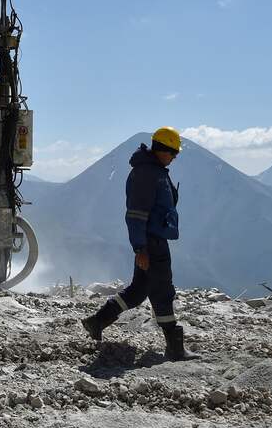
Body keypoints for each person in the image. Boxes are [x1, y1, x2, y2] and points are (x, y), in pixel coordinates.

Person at [81, 127, 199, 361]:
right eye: (173, 153)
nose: (174, 157)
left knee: (138, 290)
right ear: (162, 150)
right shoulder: (148, 174)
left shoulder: (154, 170)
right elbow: (136, 215)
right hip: (152, 244)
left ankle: (97, 321)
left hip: (152, 241)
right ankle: (174, 348)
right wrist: (140, 249)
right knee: (163, 291)